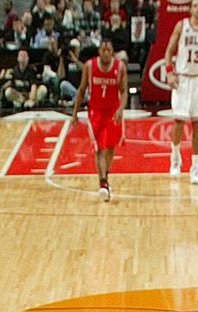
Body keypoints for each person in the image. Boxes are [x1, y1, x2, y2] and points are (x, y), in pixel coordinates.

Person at [167, 4, 198, 182]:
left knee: (197, 124)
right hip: (182, 78)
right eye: (194, 5)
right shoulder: (182, 26)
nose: (197, 8)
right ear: (191, 9)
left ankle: (195, 167)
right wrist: (169, 72)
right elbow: (168, 51)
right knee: (179, 121)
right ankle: (175, 158)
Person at [81, 35, 126, 199]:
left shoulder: (120, 67)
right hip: (96, 112)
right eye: (103, 49)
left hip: (113, 111)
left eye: (109, 50)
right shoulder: (90, 66)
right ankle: (103, 182)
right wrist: (73, 114)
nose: (106, 53)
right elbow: (81, 89)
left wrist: (121, 108)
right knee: (100, 148)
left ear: (112, 51)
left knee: (111, 147)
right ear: (99, 51)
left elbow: (124, 91)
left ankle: (105, 175)